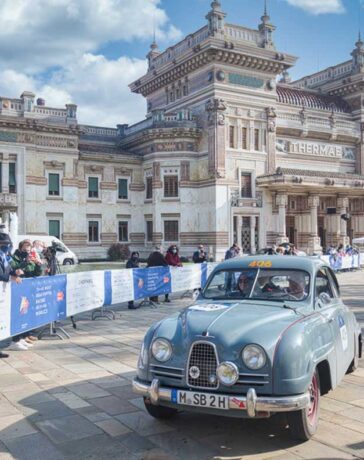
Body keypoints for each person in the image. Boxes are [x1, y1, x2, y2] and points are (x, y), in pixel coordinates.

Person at [9, 239, 42, 350]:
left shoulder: (30, 257)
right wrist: (25, 262)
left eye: (29, 249)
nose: (27, 251)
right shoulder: (14, 257)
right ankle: (15, 340)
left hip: (27, 291)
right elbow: (13, 269)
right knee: (17, 315)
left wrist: (38, 264)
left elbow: (35, 273)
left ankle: (22, 337)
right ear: (20, 248)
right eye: (25, 248)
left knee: (25, 314)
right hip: (16, 291)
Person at [0, 233, 22, 357]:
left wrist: (15, 272)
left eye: (8, 244)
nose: (7, 247)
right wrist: (11, 277)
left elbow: (6, 270)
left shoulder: (4, 256)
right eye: (4, 244)